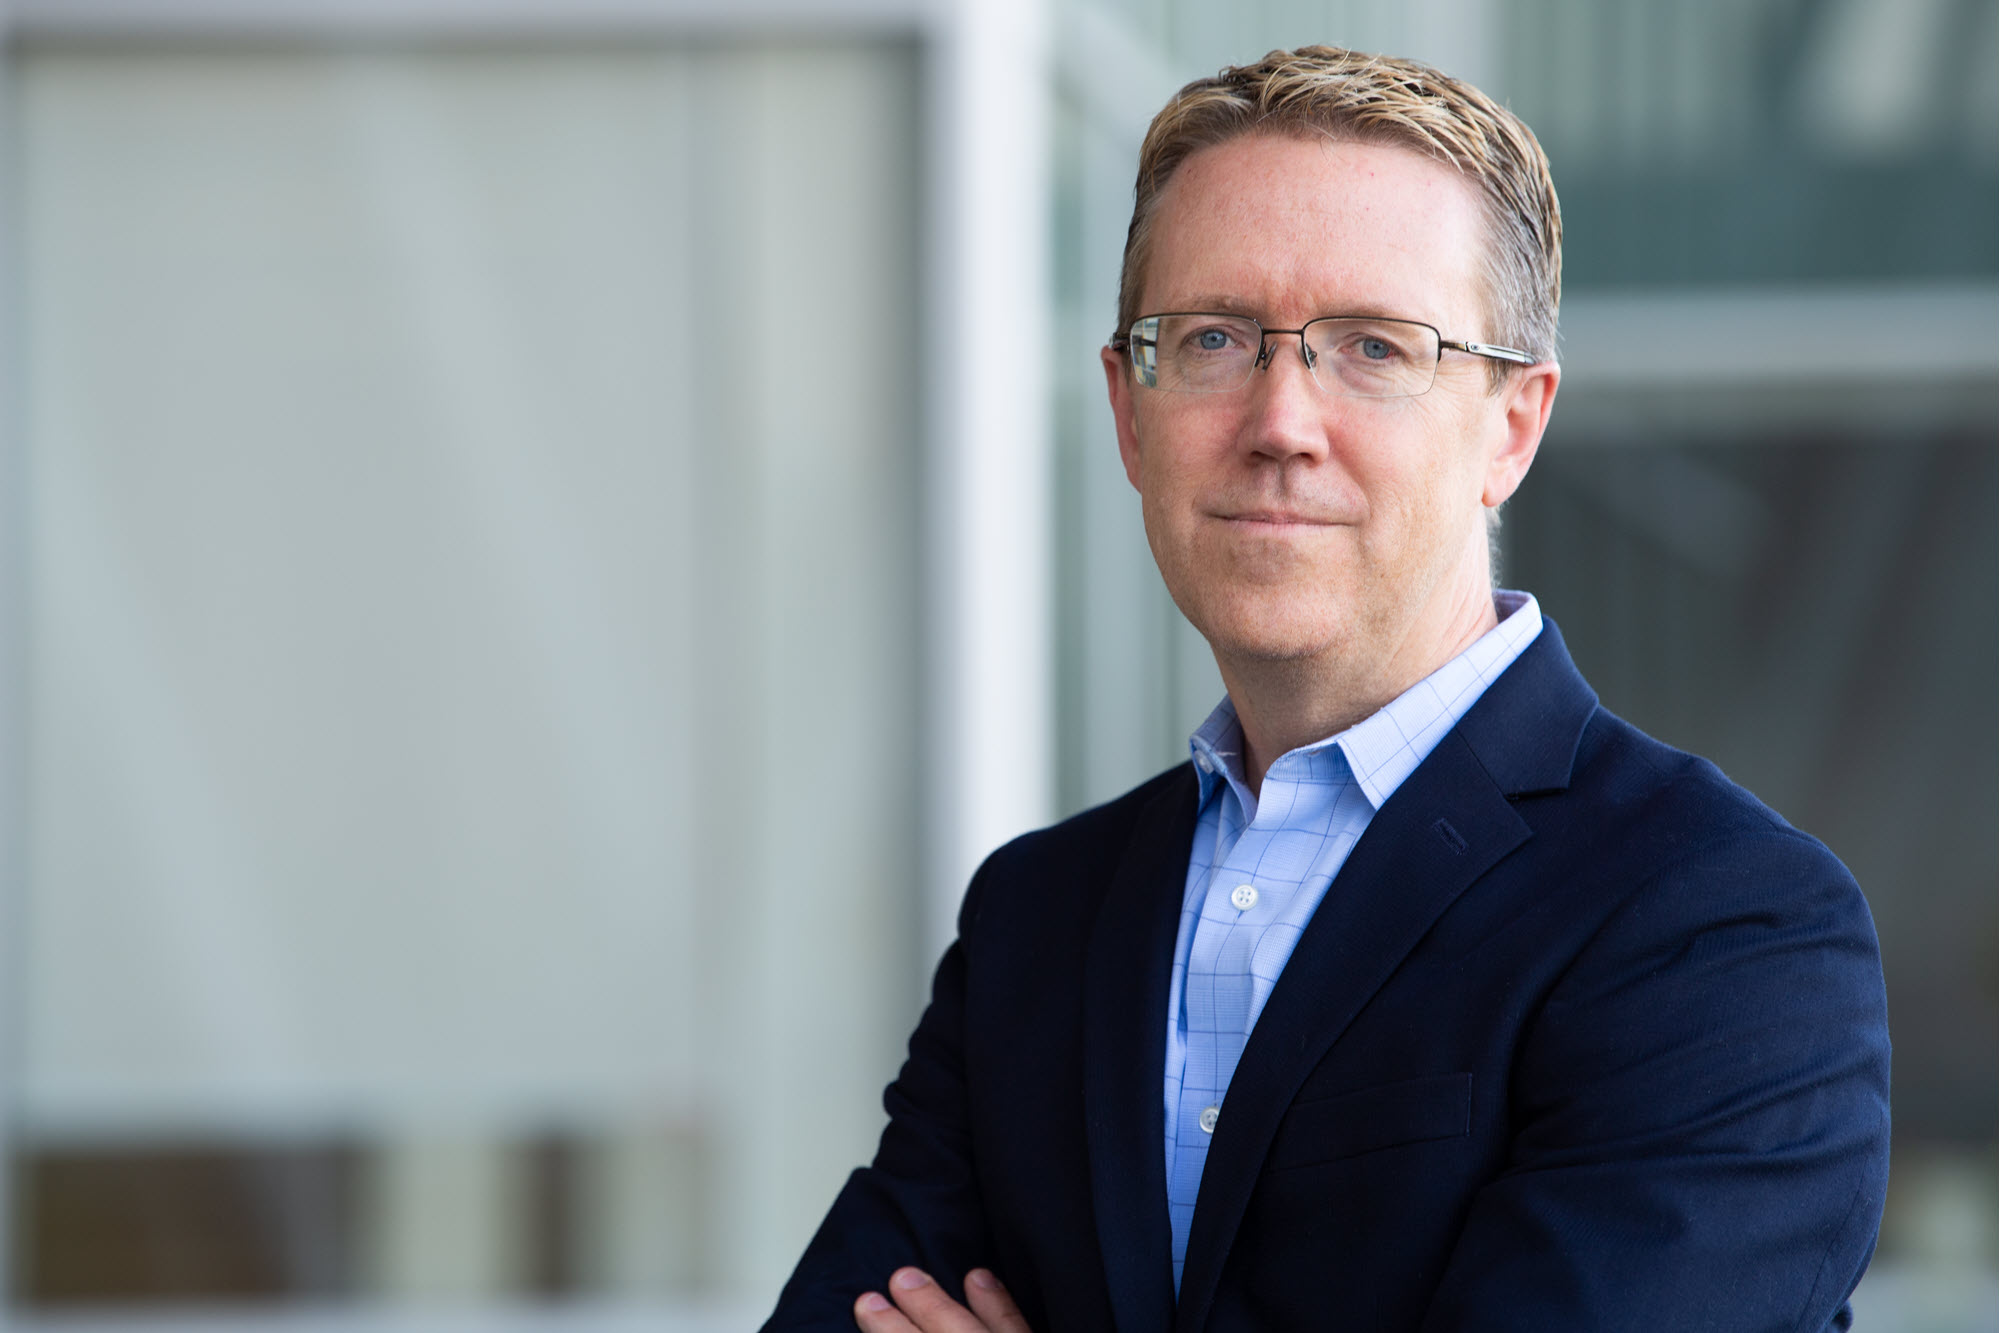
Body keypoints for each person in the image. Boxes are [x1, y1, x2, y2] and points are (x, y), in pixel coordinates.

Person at [761, 44, 1891, 1333]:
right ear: (1129, 414)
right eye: (1212, 338)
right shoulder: (1040, 918)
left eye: (1372, 347)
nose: (1282, 418)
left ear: (1511, 425)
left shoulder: (1718, 925)